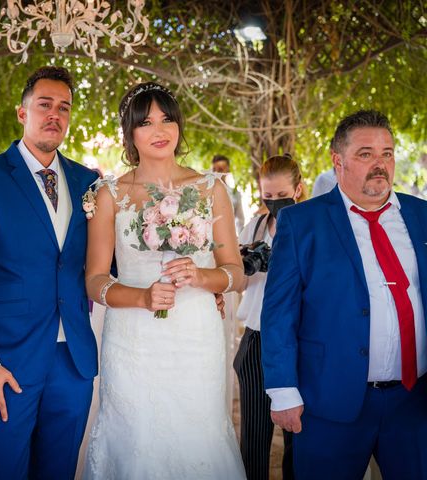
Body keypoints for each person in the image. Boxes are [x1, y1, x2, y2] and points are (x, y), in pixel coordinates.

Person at [83, 82, 246, 478]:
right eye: (147, 122)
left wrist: (202, 275)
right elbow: (94, 280)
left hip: (195, 337)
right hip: (132, 340)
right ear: (130, 133)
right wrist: (141, 298)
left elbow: (236, 274)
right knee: (135, 438)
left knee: (197, 434)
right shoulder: (108, 193)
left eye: (167, 119)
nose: (160, 130)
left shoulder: (211, 189)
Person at [0, 66, 99, 479]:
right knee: (5, 471)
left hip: (74, 360)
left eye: (63, 108)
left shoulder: (89, 183)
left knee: (59, 470)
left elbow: (108, 262)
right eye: (44, 105)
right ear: (22, 113)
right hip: (6, 362)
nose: (55, 115)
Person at [261, 110, 427, 479]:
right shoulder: (303, 222)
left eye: (387, 153)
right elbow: (279, 314)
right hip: (330, 401)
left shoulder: (422, 216)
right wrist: (283, 390)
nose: (380, 163)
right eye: (366, 153)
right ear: (338, 161)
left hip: (414, 403)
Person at [233, 154, 302, 480]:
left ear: (298, 189)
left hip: (297, 341)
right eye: (268, 197)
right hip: (257, 338)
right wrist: (244, 263)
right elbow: (239, 282)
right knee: (254, 438)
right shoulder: (255, 226)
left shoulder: (309, 227)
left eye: (281, 196)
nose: (273, 203)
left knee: (297, 438)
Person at [212, 154, 246, 233]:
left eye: (220, 169)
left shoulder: (236, 194)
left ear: (227, 170)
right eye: (214, 169)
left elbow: (240, 221)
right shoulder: (205, 192)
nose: (216, 172)